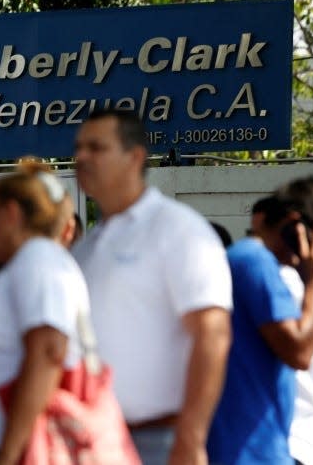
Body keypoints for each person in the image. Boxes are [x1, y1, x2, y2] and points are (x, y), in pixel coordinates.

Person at [71, 109, 232, 465]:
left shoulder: (178, 230)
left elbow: (213, 334)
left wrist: (190, 438)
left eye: (96, 148)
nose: (81, 158)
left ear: (135, 157)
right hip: (92, 441)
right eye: (79, 148)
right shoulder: (87, 247)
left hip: (159, 442)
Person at [0, 163, 93, 465]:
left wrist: (9, 453)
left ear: (10, 214)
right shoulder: (29, 264)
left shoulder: (38, 259)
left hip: (15, 451)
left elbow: (49, 352)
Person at [207, 178, 313, 465]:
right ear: (294, 226)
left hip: (282, 446)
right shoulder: (255, 260)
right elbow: (299, 352)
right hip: (261, 450)